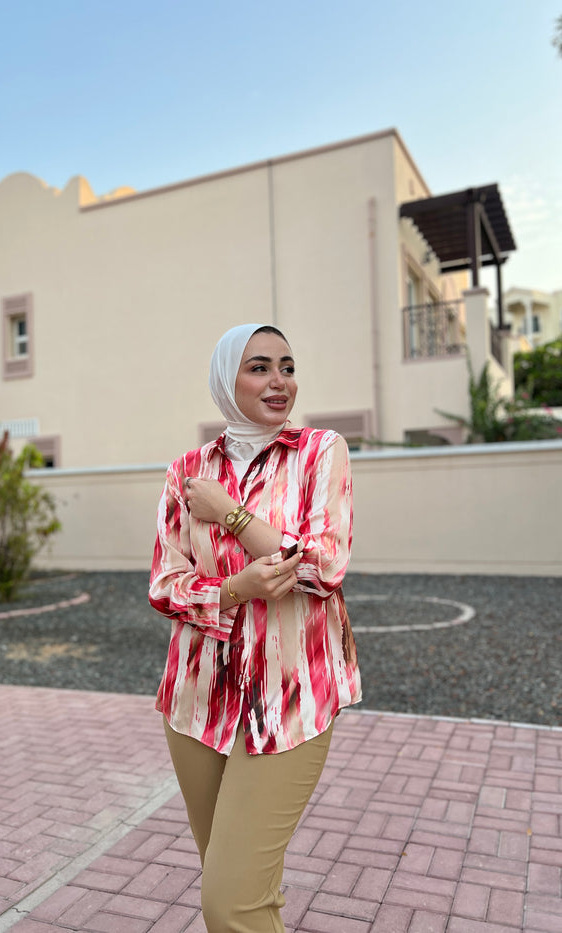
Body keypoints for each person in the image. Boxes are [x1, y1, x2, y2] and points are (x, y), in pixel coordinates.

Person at [149, 323, 361, 932]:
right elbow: (165, 584)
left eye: (288, 367)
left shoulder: (322, 451)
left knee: (228, 902)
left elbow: (322, 567)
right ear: (225, 380)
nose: (279, 382)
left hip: (290, 699)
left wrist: (231, 514)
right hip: (195, 703)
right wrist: (237, 588)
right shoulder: (188, 471)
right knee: (241, 885)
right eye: (260, 367)